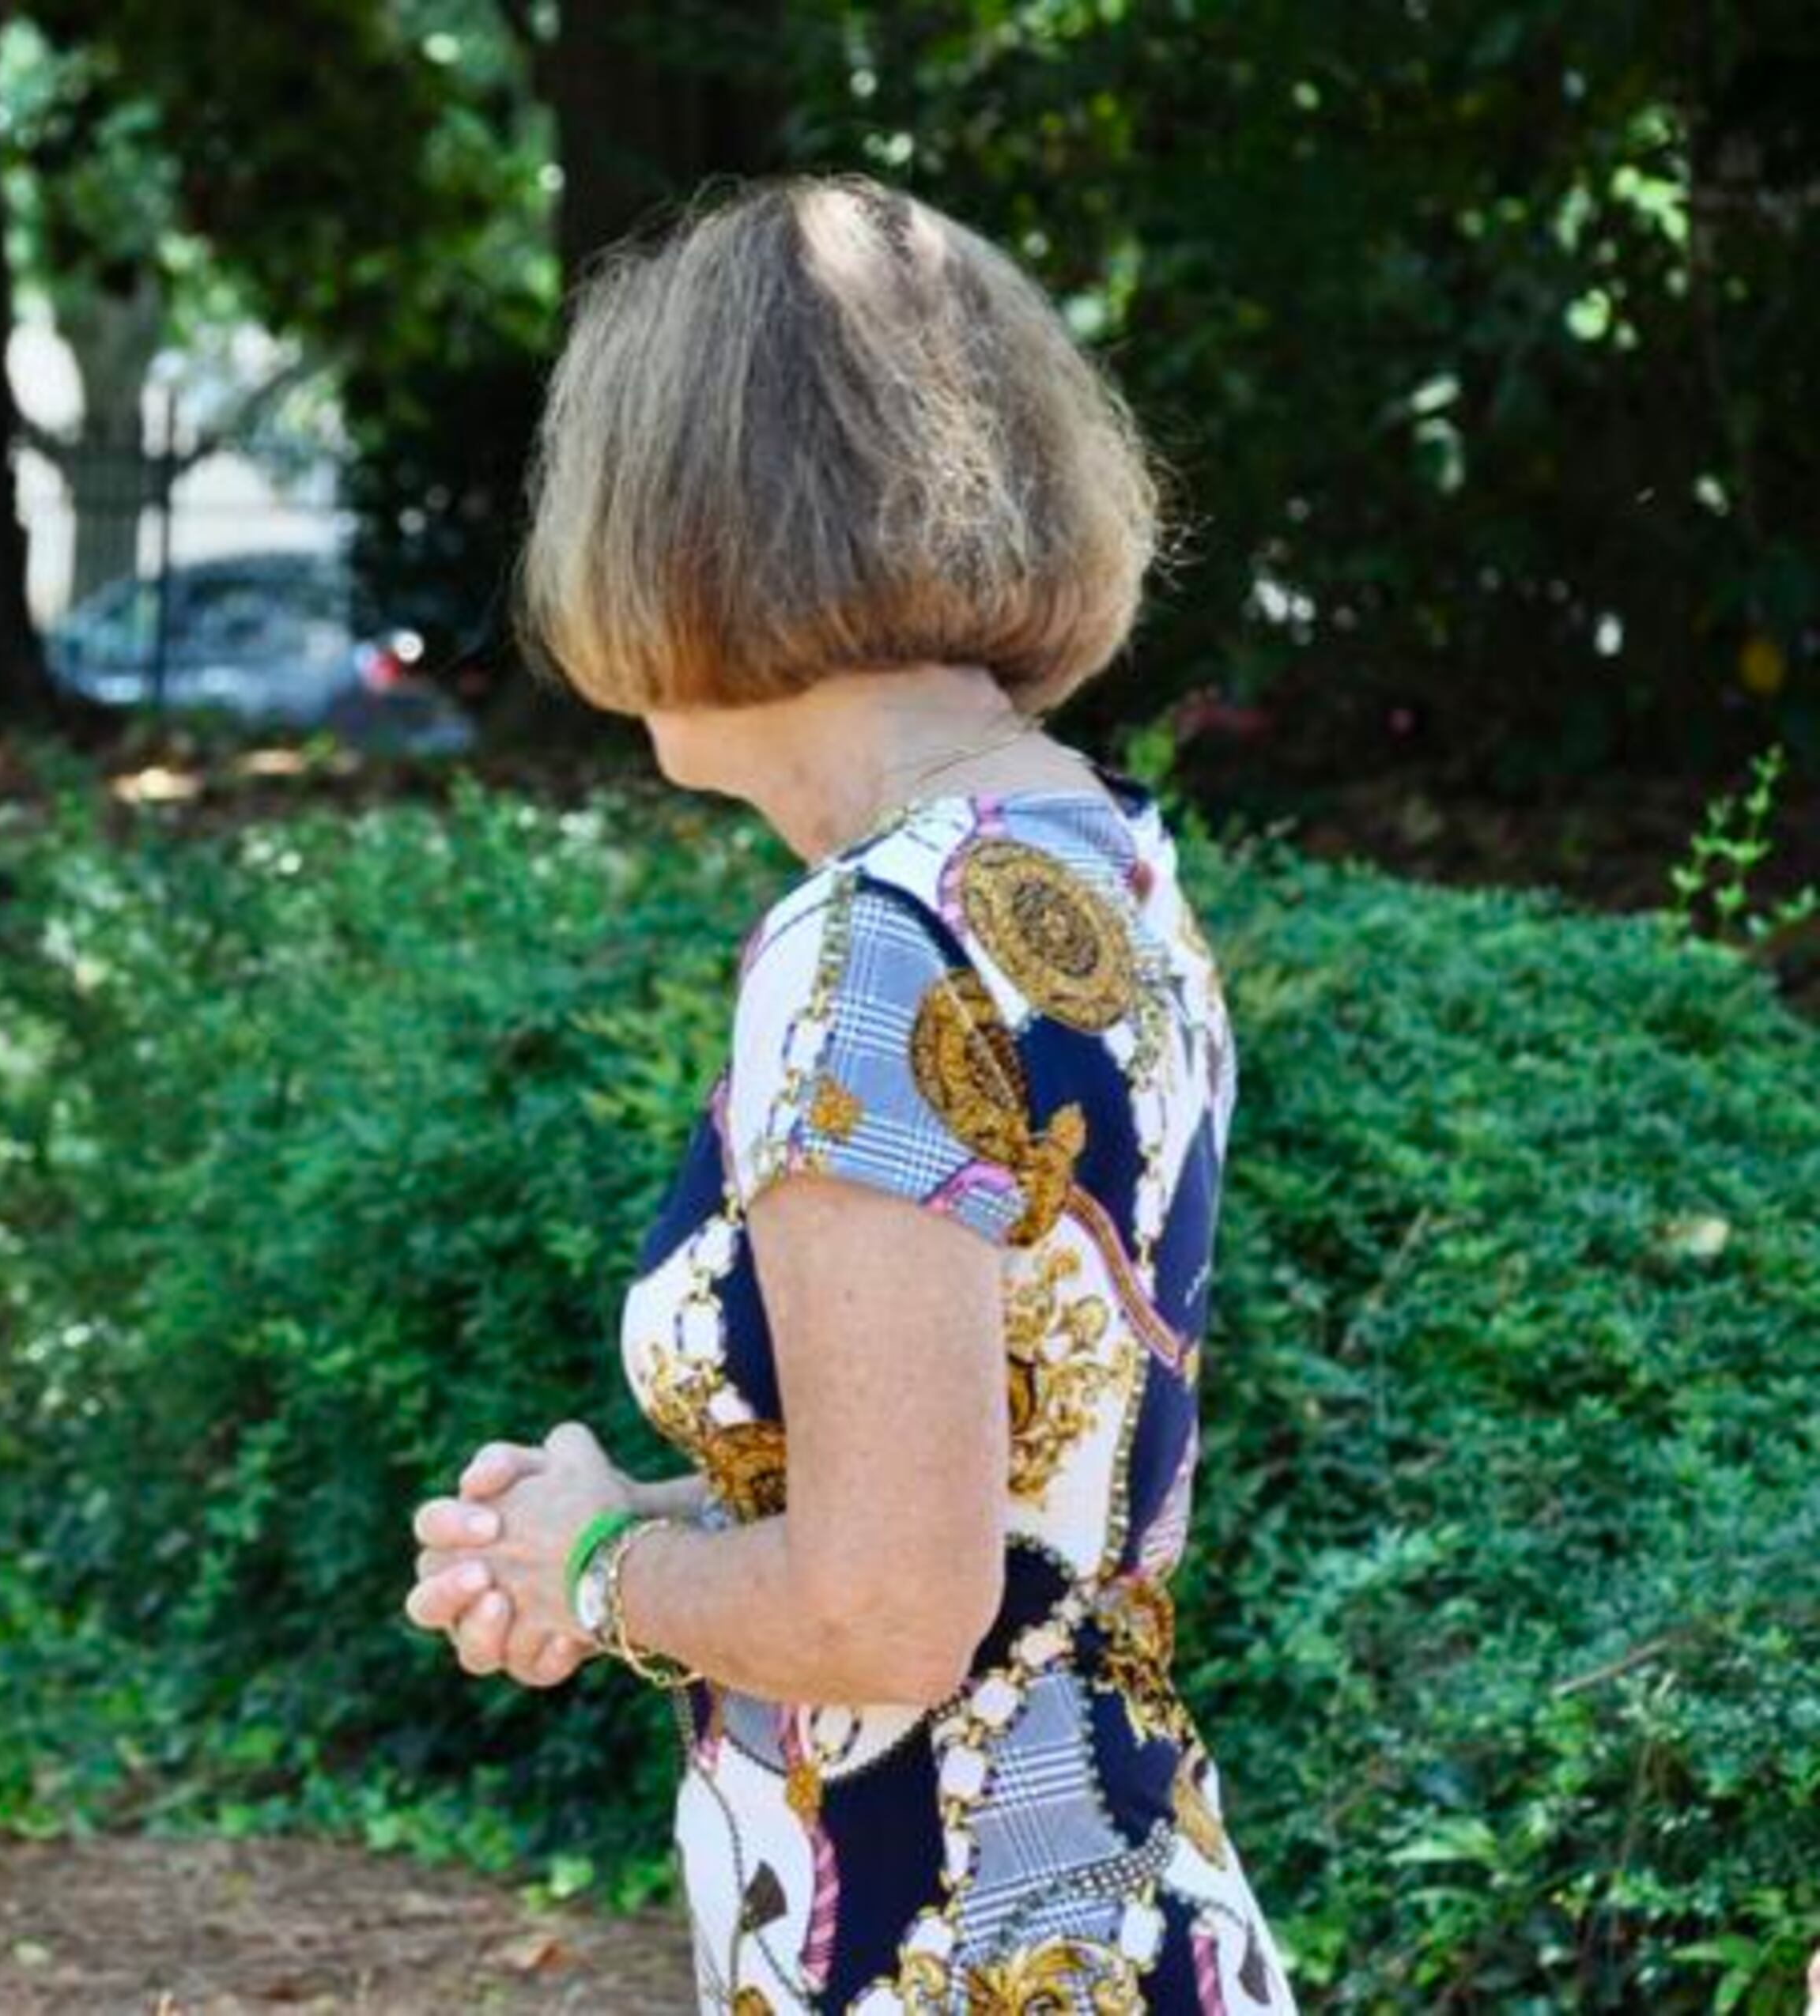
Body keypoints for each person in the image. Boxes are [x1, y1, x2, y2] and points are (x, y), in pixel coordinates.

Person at [401, 173, 1298, 2014]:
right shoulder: (1089, 858)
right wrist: (615, 1516)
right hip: (1115, 1903)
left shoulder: (868, 945)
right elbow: (1008, 1496)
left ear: (693, 532)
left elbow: (892, 1607)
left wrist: (593, 1568)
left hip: (950, 1949)